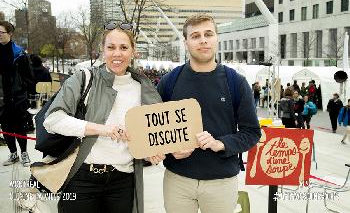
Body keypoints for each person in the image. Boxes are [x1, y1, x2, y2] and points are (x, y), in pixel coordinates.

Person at [43, 22, 164, 213]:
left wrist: (151, 151)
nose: (117, 54)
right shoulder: (84, 78)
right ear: (102, 50)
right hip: (82, 178)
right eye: (111, 47)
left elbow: (148, 136)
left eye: (124, 47)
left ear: (133, 51)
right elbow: (52, 120)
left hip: (123, 181)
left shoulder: (143, 88)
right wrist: (103, 129)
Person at [157, 14, 261, 213]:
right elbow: (153, 131)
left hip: (221, 182)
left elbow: (252, 132)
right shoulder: (169, 81)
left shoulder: (235, 82)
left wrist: (220, 143)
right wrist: (170, 149)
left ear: (217, 38)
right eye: (195, 36)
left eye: (208, 34)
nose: (203, 40)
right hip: (177, 180)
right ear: (186, 42)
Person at [0, 21, 34, 167]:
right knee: (5, 127)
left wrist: (22, 90)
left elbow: (29, 77)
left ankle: (24, 153)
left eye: (1, 32)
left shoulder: (19, 53)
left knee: (20, 127)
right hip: (1, 99)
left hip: (17, 98)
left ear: (10, 34)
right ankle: (13, 153)